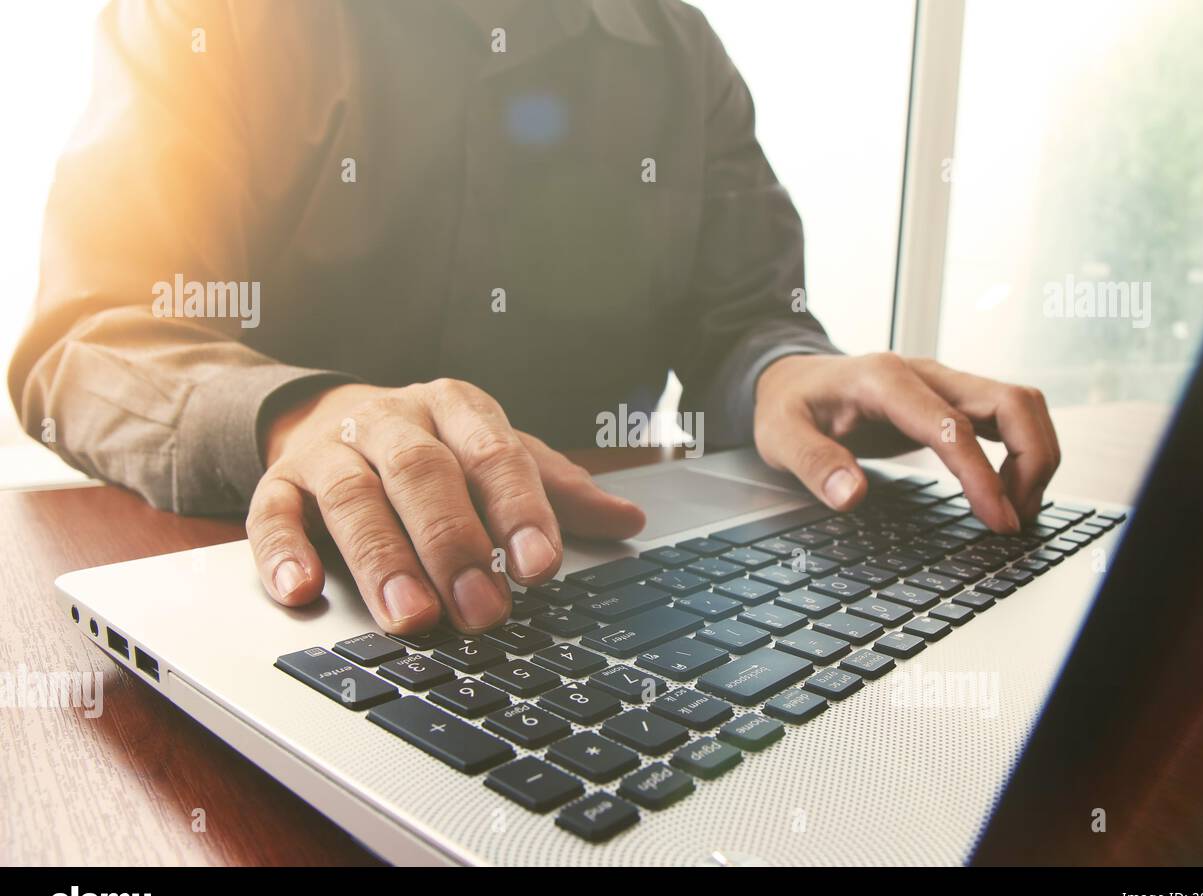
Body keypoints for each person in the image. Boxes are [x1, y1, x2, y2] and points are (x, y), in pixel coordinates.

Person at [8, 0, 1059, 638]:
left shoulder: (680, 52)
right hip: (294, 592)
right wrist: (299, 415)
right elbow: (86, 336)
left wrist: (783, 371)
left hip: (606, 597)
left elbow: (740, 319)